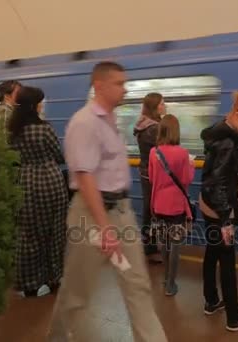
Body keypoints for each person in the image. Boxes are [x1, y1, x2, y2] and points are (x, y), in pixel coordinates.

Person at [47, 61, 167, 342]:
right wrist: (105, 229)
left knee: (137, 284)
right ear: (99, 86)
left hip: (120, 212)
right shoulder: (84, 122)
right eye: (118, 83)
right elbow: (86, 178)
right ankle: (57, 337)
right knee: (78, 290)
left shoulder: (111, 120)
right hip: (91, 216)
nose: (124, 89)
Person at [199, 91, 238, 332]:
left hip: (209, 204)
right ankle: (234, 316)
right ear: (236, 114)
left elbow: (219, 174)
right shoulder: (228, 142)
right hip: (219, 208)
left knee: (213, 252)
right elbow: (216, 183)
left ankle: (212, 301)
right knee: (227, 260)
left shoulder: (220, 132)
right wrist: (226, 220)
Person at [7, 86, 68, 297]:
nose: (42, 105)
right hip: (49, 182)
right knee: (54, 232)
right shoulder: (44, 129)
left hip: (24, 182)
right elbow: (58, 156)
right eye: (40, 101)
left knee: (27, 233)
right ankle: (52, 278)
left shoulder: (12, 129)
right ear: (34, 105)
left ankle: (27, 282)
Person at [148, 114, 195, 295]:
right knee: (175, 244)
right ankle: (171, 284)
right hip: (176, 206)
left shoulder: (154, 152)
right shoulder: (182, 153)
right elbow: (186, 179)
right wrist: (191, 165)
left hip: (158, 205)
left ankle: (165, 278)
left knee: (163, 242)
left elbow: (152, 178)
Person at [134, 92, 165, 264]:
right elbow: (162, 150)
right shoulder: (153, 128)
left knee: (150, 208)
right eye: (162, 103)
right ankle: (150, 247)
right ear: (154, 106)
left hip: (146, 171)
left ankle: (150, 245)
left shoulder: (144, 125)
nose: (164, 105)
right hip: (153, 172)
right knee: (152, 210)